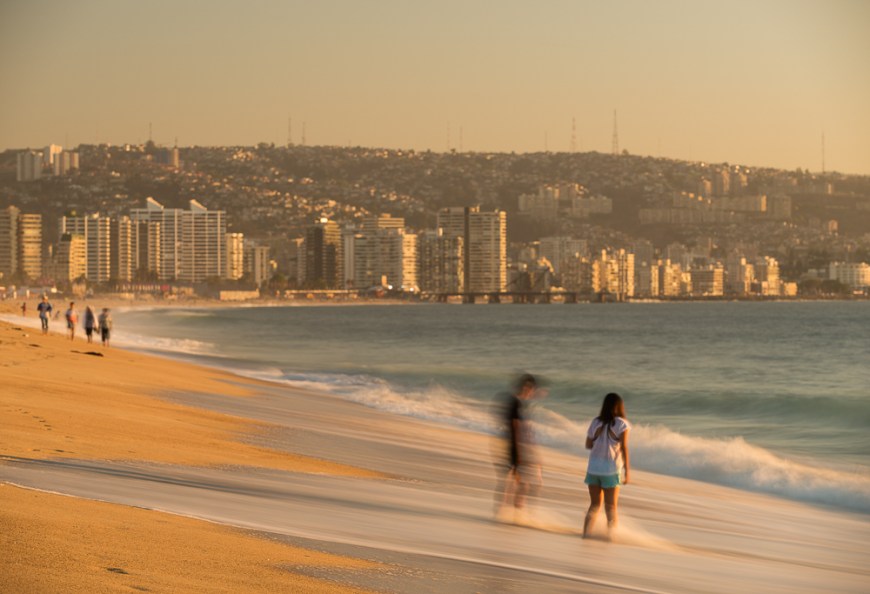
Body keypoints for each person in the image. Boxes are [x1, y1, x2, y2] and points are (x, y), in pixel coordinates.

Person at [583, 392, 631, 539]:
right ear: (619, 406)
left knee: (594, 505)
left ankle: (585, 534)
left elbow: (588, 445)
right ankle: (611, 537)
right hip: (610, 470)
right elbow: (624, 448)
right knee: (611, 507)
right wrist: (627, 471)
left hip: (593, 469)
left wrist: (601, 443)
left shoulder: (595, 422)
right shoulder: (622, 424)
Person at [498, 373, 543, 514]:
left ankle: (506, 510)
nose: (532, 393)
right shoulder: (516, 403)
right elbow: (516, 427)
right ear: (526, 387)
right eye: (531, 389)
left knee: (515, 481)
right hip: (518, 448)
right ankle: (513, 511)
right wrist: (520, 452)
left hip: (515, 446)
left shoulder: (514, 402)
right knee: (524, 482)